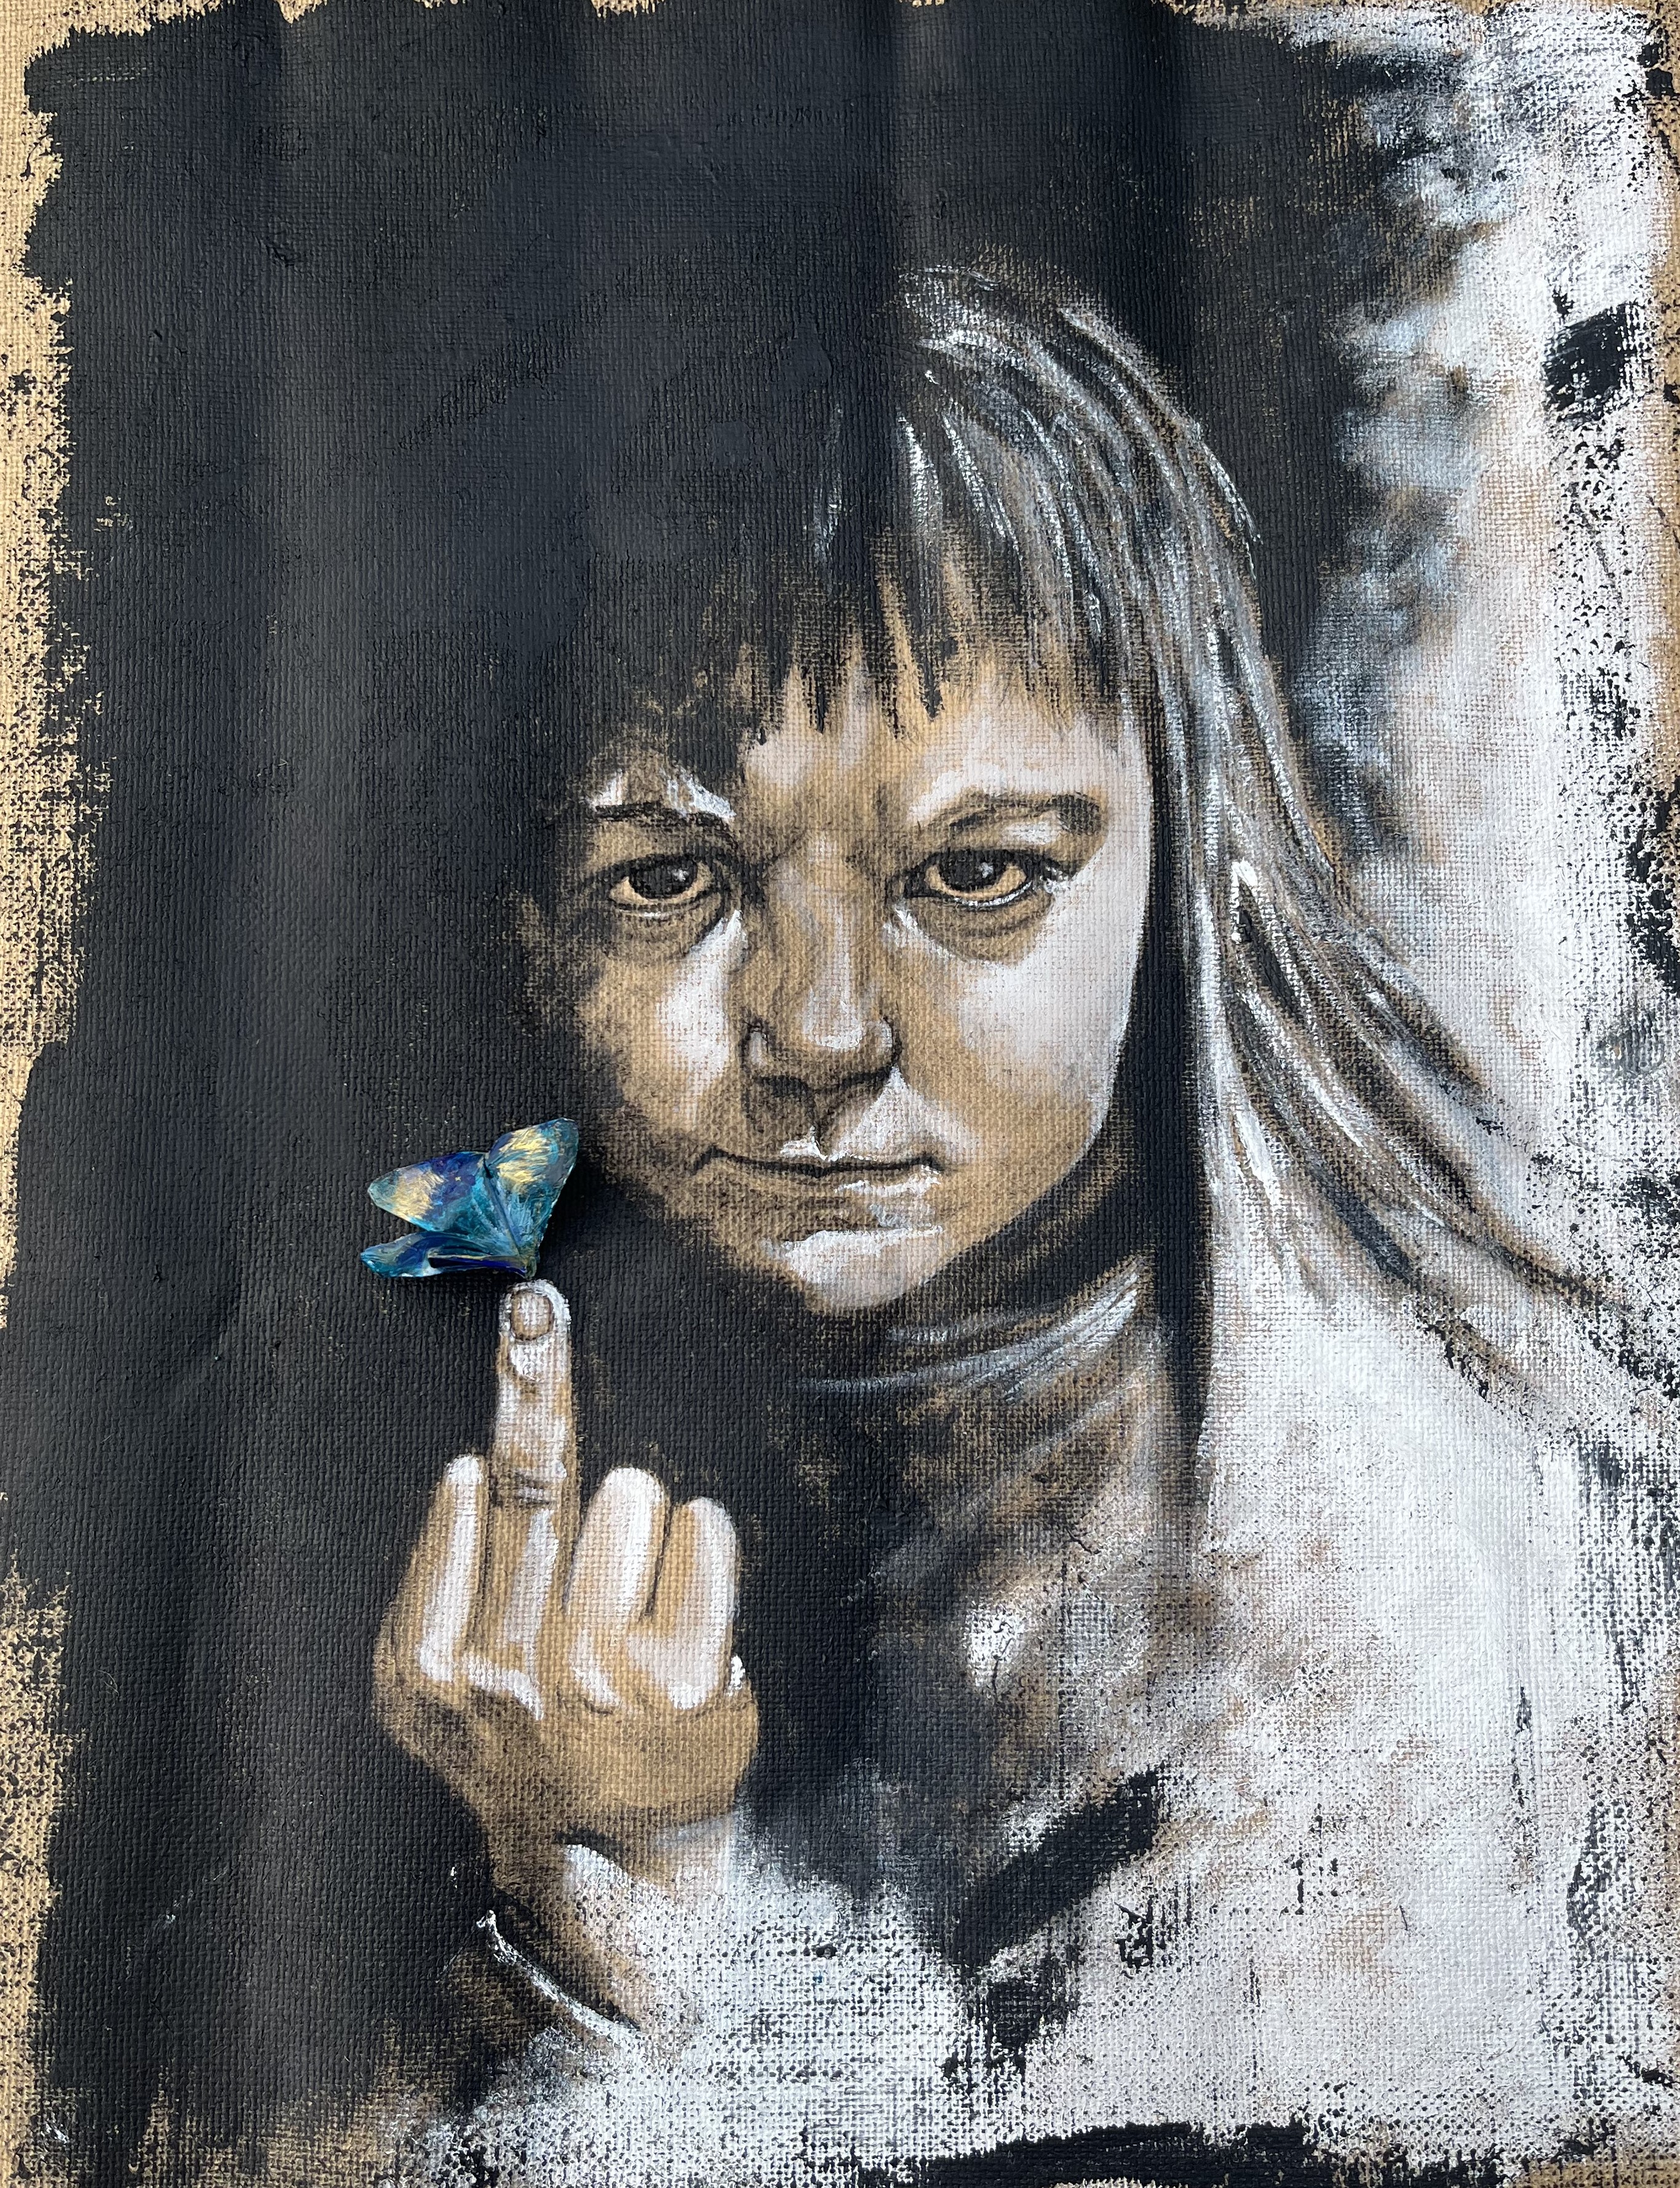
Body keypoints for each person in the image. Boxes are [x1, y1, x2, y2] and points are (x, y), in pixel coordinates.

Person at [373, 266, 1677, 2183]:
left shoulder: (1417, 1615)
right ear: (523, 921)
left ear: (1191, 863)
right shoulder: (495, 1362)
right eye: (668, 878)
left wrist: (633, 1918)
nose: (819, 1032)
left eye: (976, 872)